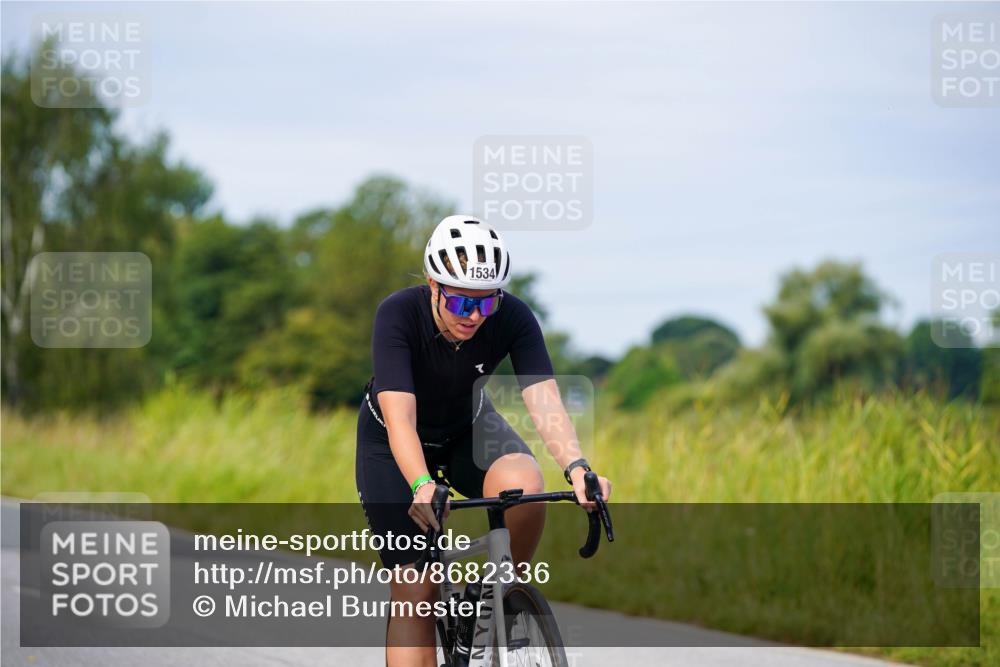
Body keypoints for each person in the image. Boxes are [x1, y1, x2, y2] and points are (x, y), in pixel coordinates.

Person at [355, 214, 612, 667]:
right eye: (460, 304)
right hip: (394, 442)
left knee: (526, 486)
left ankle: (501, 595)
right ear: (433, 286)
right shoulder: (398, 313)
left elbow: (544, 399)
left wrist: (577, 468)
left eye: (486, 304)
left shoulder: (512, 315)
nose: (474, 316)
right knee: (418, 587)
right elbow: (401, 418)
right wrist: (420, 485)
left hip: (467, 430)